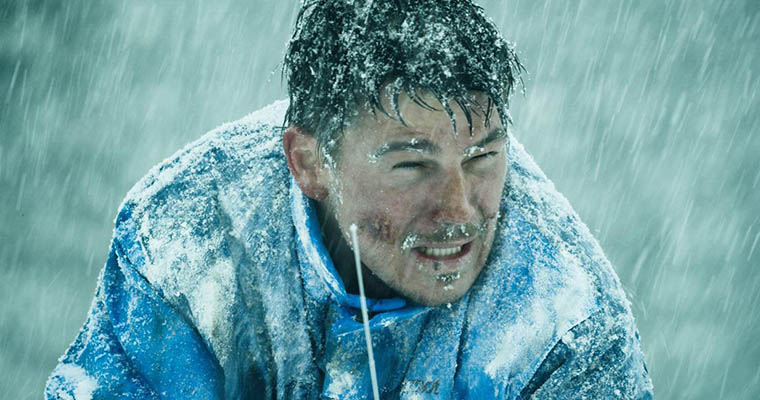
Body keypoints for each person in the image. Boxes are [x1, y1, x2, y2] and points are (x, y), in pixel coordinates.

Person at [46, 0, 653, 398]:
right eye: (412, 165)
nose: (459, 210)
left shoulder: (566, 320)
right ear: (310, 163)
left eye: (482, 158)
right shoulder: (190, 243)